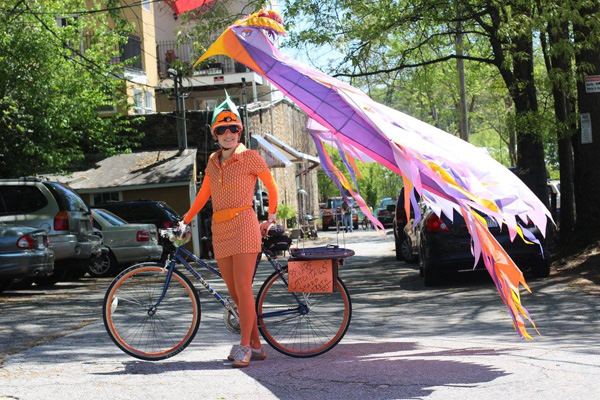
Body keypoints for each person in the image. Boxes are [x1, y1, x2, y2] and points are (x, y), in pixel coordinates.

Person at [179, 101, 277, 369]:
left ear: (240, 131)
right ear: (215, 134)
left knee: (244, 288)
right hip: (220, 230)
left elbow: (271, 185)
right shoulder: (212, 161)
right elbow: (203, 194)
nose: (228, 134)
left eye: (233, 128)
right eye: (222, 130)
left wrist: (271, 218)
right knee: (235, 293)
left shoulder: (251, 157)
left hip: (245, 225)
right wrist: (185, 219)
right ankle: (257, 347)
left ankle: (245, 346)